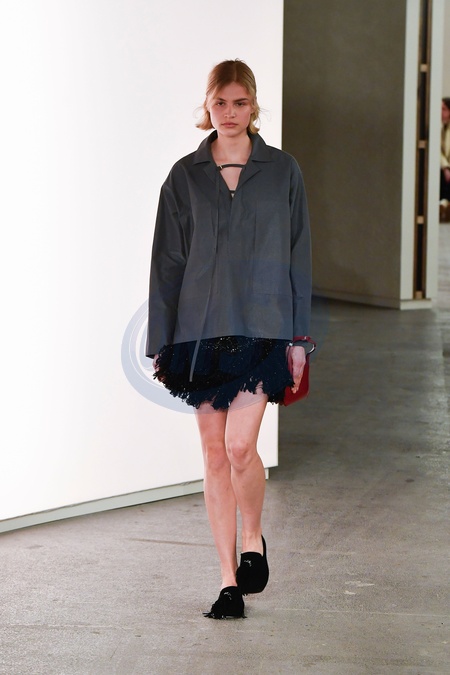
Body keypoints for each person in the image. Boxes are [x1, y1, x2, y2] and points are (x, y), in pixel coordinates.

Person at [146, 59, 312, 619]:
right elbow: (167, 263)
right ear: (208, 105)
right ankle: (227, 582)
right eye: (221, 103)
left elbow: (299, 256)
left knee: (241, 447)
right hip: (199, 332)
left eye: (240, 103)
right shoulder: (185, 176)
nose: (230, 113)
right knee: (215, 455)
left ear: (254, 105)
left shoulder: (283, 170)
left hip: (264, 329)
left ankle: (253, 537)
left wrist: (300, 340)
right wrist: (161, 340)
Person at [440, 98, 450, 221]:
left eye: (444, 109)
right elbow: (438, 151)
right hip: (445, 166)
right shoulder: (441, 127)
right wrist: (445, 167)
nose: (441, 112)